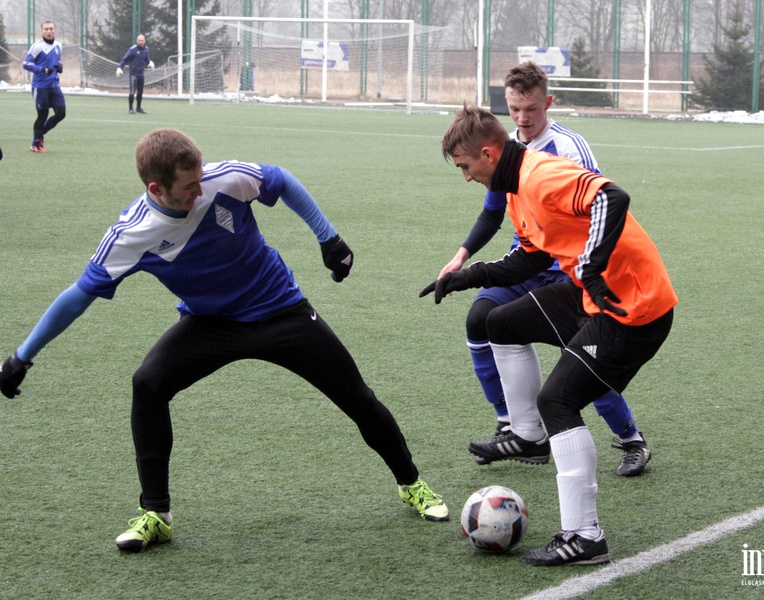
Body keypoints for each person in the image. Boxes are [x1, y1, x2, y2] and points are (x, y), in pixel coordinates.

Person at [0, 128, 449, 552]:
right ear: (156, 189)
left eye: (199, 179)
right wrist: (23, 356)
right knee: (148, 384)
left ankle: (412, 483)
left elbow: (281, 180)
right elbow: (77, 297)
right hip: (210, 324)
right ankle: (155, 514)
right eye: (188, 186)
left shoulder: (224, 179)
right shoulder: (131, 234)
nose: (199, 190)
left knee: (355, 395)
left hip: (281, 310)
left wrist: (328, 237)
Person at [421, 106, 677, 566]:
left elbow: (611, 198)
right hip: (592, 298)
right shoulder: (517, 189)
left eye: (465, 167)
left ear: (487, 152)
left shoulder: (540, 175)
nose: (465, 177)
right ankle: (528, 436)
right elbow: (532, 260)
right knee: (497, 320)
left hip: (632, 310)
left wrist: (594, 265)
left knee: (557, 401)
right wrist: (467, 276)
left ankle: (585, 537)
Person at [435, 62, 651, 477]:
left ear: (546, 102)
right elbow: (492, 214)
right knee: (482, 319)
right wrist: (463, 258)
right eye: (514, 109)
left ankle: (630, 438)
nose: (522, 118)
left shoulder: (565, 149)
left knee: (581, 355)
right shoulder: (502, 151)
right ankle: (514, 426)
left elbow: (602, 207)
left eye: (530, 109)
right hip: (529, 262)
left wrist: (590, 269)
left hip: (568, 269)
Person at [23, 21, 66, 153]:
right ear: (42, 31)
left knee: (61, 114)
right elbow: (26, 64)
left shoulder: (59, 45)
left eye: (51, 29)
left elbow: (56, 61)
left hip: (54, 85)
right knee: (43, 115)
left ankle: (40, 135)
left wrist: (60, 66)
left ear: (54, 30)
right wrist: (41, 69)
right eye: (46, 29)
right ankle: (36, 144)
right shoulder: (37, 47)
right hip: (40, 86)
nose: (49, 31)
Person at [116, 34, 154, 114]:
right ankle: (130, 108)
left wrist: (150, 62)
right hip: (133, 74)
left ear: (145, 41)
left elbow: (147, 58)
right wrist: (120, 67)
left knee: (140, 92)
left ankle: (138, 108)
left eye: (142, 40)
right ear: (137, 41)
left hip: (141, 74)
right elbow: (125, 59)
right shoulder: (132, 49)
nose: (140, 42)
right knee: (132, 91)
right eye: (139, 40)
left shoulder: (146, 49)